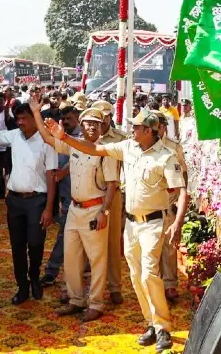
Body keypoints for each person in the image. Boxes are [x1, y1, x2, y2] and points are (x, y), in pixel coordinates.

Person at [35, 108, 187, 353]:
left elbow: (180, 191)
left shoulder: (166, 157)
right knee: (136, 277)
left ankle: (163, 327)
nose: (132, 130)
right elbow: (94, 149)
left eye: (136, 127)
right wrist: (64, 138)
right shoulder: (127, 147)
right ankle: (151, 321)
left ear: (148, 131)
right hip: (132, 225)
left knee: (149, 274)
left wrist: (176, 223)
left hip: (153, 224)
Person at [32, 103, 120, 322]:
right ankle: (76, 300)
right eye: (88, 123)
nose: (92, 127)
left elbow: (112, 186)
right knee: (71, 258)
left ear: (102, 127)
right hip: (74, 209)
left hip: (94, 210)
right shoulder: (73, 145)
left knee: (97, 260)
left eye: (96, 124)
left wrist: (104, 213)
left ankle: (96, 304)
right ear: (81, 125)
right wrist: (36, 112)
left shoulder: (105, 151)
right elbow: (47, 139)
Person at [0, 80, 56, 305]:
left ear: (34, 119)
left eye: (24, 118)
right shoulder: (13, 136)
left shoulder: (46, 142)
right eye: (18, 119)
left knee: (35, 243)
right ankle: (22, 286)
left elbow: (51, 177)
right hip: (14, 201)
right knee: (17, 247)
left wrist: (49, 209)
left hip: (37, 202)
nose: (20, 122)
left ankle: (35, 278)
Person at [41, 105, 81, 290]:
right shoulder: (61, 136)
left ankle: (52, 272)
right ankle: (54, 273)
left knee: (70, 238)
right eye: (64, 120)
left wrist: (65, 172)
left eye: (69, 119)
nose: (66, 122)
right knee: (65, 237)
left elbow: (80, 158)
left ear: (78, 119)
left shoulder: (83, 138)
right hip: (67, 198)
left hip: (85, 199)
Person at [92, 99, 127, 305]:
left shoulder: (121, 138)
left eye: (105, 116)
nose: (102, 120)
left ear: (111, 116)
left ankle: (114, 286)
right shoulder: (88, 136)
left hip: (112, 195)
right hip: (90, 194)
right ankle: (94, 286)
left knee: (113, 242)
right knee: (91, 242)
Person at [152, 111, 188, 302]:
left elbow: (183, 175)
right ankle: (155, 285)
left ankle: (170, 285)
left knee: (169, 247)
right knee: (151, 247)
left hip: (168, 202)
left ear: (164, 126)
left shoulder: (174, 147)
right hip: (150, 203)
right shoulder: (143, 146)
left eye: (157, 125)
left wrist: (179, 200)